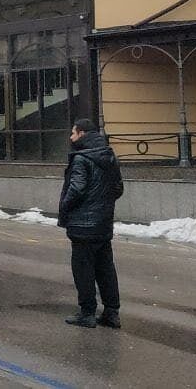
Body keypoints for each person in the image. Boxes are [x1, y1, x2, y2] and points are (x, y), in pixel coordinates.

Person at [58, 119, 124, 330]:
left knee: (83, 269)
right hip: (103, 224)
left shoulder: (81, 158)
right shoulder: (109, 155)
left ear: (82, 134)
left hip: (82, 225)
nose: (71, 137)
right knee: (105, 268)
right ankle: (111, 313)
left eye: (73, 133)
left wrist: (65, 207)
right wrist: (102, 205)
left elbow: (76, 189)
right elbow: (118, 189)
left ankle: (87, 313)